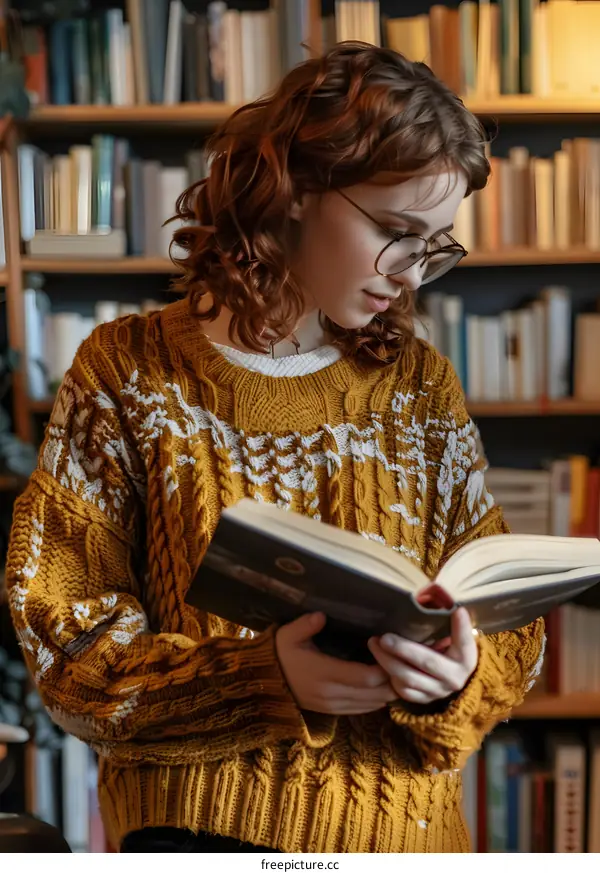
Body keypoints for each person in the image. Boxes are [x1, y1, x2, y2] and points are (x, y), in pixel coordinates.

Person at [6, 42, 544, 854]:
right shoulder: (128, 372)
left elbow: (510, 627)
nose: (410, 275)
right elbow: (65, 646)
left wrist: (458, 677)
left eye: (434, 248)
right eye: (397, 232)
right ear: (293, 191)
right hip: (200, 835)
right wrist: (262, 680)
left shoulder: (417, 387)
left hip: (406, 841)